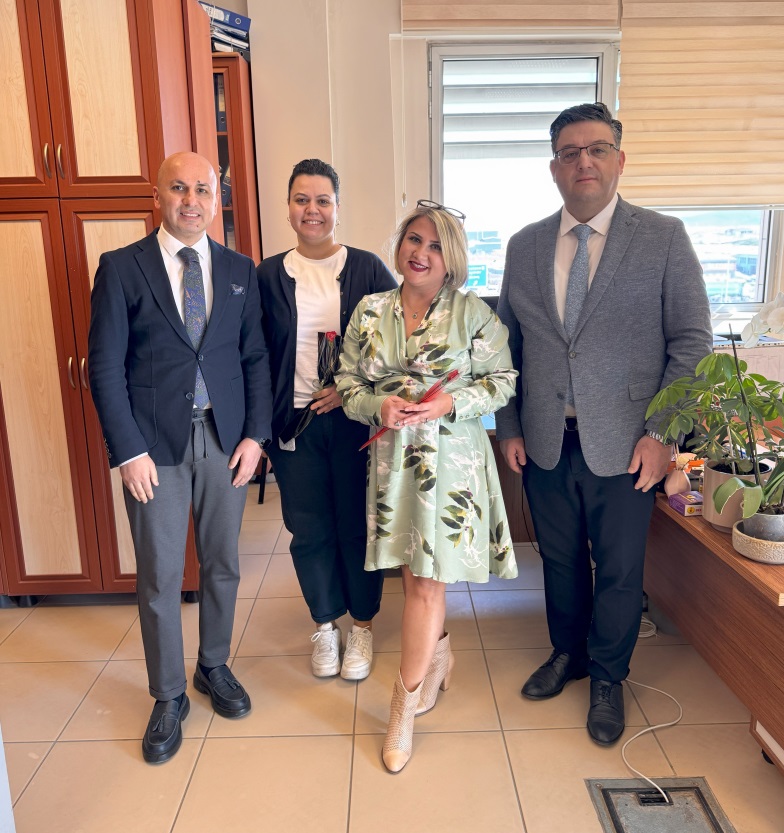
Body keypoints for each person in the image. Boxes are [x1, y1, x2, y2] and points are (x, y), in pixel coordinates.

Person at [495, 103, 712, 745]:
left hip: (628, 443)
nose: (582, 161)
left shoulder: (663, 237)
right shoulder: (525, 245)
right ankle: (569, 653)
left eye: (596, 149)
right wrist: (509, 425)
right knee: (559, 559)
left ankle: (609, 677)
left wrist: (663, 435)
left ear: (620, 159)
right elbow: (505, 348)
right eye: (569, 152)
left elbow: (692, 344)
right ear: (554, 168)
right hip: (544, 438)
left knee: (618, 568)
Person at [88, 151, 272, 764]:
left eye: (203, 189)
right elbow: (106, 368)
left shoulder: (240, 270)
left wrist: (255, 437)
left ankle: (213, 665)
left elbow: (254, 359)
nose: (191, 200)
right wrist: (127, 451)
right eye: (178, 188)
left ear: (216, 199)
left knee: (223, 564)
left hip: (225, 441)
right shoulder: (121, 268)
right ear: (158, 196)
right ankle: (168, 694)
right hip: (153, 449)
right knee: (161, 575)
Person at [337, 201, 518, 772]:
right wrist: (377, 405)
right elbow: (347, 383)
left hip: (451, 463)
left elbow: (503, 380)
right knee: (412, 574)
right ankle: (438, 658)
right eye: (414, 239)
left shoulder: (474, 314)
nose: (421, 253)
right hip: (392, 461)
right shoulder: (370, 311)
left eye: (436, 245)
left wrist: (450, 402)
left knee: (425, 585)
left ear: (452, 258)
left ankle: (402, 708)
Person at [257, 158, 396, 680]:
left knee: (358, 526)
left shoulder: (367, 268)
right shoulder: (267, 275)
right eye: (302, 200)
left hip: (356, 422)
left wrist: (349, 388)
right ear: (288, 208)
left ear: (338, 208)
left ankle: (361, 626)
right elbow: (254, 353)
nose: (311, 210)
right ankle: (324, 625)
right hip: (293, 423)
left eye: (322, 200)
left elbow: (394, 343)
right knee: (308, 528)